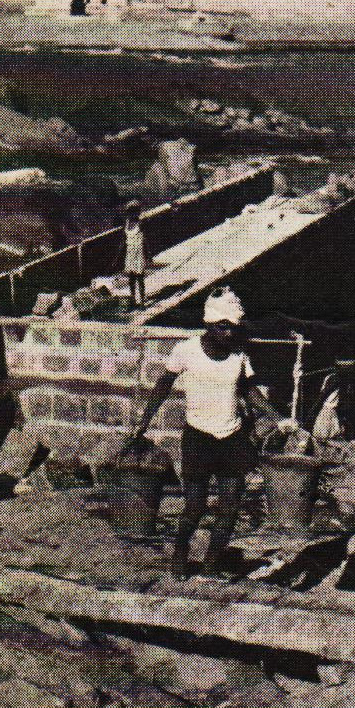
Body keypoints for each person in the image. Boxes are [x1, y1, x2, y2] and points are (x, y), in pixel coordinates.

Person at [129, 288, 294, 578]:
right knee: (195, 506)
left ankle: (210, 565)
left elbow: (249, 392)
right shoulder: (186, 351)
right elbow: (163, 385)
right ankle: (180, 556)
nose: (229, 334)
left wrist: (277, 417)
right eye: (223, 327)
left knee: (230, 507)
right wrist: (144, 420)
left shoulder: (239, 356)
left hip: (232, 437)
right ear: (209, 324)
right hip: (199, 438)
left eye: (233, 328)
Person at [122, 200, 147, 307]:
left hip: (138, 251)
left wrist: (148, 256)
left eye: (135, 212)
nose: (132, 214)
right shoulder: (127, 223)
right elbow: (124, 239)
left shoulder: (140, 223)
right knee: (131, 278)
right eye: (130, 212)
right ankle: (133, 299)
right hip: (129, 251)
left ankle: (141, 301)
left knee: (140, 277)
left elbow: (145, 240)